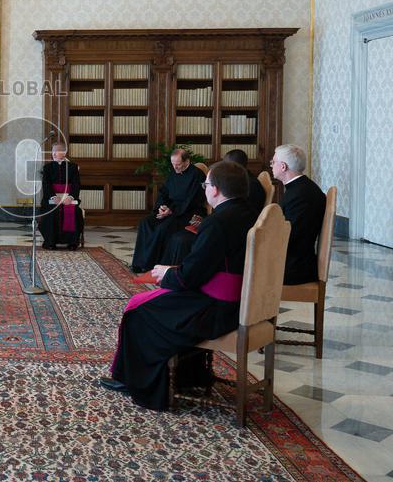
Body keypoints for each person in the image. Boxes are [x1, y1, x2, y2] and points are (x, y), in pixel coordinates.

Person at [101, 161, 259, 410]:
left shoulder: (217, 222)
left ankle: (139, 382)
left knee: (139, 313)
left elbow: (190, 277)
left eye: (206, 184)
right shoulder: (252, 214)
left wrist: (167, 274)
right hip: (241, 304)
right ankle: (189, 375)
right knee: (157, 305)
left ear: (215, 190)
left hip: (216, 310)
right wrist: (179, 271)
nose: (204, 189)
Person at [160, 148, 265, 265]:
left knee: (180, 240)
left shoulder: (249, 186)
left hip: (231, 239)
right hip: (226, 229)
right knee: (178, 237)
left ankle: (172, 275)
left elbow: (234, 216)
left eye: (207, 185)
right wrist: (204, 222)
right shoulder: (242, 181)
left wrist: (207, 224)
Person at [130, 149, 206, 273]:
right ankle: (139, 263)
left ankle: (149, 264)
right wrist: (162, 206)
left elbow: (192, 200)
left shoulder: (197, 175)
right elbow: (164, 192)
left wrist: (172, 211)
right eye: (173, 164)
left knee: (162, 228)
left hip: (188, 213)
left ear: (187, 161)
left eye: (178, 164)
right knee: (146, 222)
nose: (175, 167)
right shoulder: (174, 172)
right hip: (171, 209)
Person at [271, 144, 326, 285]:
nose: (271, 165)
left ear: (283, 166)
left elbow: (291, 237)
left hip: (294, 267)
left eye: (273, 162)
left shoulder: (301, 195)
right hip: (292, 260)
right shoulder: (300, 188)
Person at [38, 142, 84, 250]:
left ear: (64, 153)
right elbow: (46, 185)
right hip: (52, 199)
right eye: (53, 151)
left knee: (74, 212)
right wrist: (54, 197)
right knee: (51, 212)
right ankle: (50, 242)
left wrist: (71, 197)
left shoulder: (73, 167)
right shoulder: (47, 168)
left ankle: (72, 242)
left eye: (57, 151)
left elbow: (76, 184)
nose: (54, 154)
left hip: (69, 199)